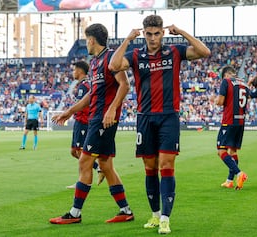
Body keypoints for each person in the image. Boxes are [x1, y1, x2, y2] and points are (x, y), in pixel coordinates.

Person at [109, 14, 211, 234]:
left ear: (163, 33)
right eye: (149, 34)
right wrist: (127, 39)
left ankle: (165, 217)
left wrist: (182, 32)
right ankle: (155, 215)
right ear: (143, 33)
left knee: (166, 165)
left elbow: (204, 52)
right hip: (144, 117)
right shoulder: (135, 55)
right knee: (149, 167)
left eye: (157, 33)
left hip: (168, 116)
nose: (153, 38)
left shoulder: (174, 52)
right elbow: (114, 66)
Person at [49, 23, 134, 224]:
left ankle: (75, 214)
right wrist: (69, 111)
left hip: (103, 119)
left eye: (86, 39)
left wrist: (112, 108)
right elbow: (91, 94)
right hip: (97, 118)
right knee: (105, 165)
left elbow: (125, 85)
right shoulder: (95, 62)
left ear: (91, 40)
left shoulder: (110, 58)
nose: (86, 43)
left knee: (84, 161)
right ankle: (125, 210)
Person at [65, 60, 104, 189]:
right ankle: (92, 172)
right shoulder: (83, 85)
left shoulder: (84, 86)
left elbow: (82, 105)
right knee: (74, 151)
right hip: (80, 121)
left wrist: (68, 113)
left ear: (80, 71)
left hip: (83, 121)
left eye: (74, 69)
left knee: (81, 151)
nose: (73, 72)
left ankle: (89, 176)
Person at [215, 66, 249, 190]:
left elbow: (220, 101)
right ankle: (229, 181)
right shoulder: (244, 84)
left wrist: (215, 100)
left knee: (221, 150)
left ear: (226, 75)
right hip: (240, 121)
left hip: (229, 121)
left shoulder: (226, 82)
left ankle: (239, 174)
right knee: (233, 151)